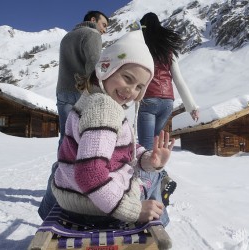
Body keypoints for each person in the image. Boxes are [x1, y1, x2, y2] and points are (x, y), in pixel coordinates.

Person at [38, 30, 175, 226]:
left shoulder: (90, 99)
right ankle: (158, 226)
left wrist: (148, 159)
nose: (131, 90)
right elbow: (90, 174)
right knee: (154, 179)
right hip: (97, 206)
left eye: (139, 87)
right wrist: (135, 210)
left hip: (75, 198)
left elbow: (117, 151)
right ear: (106, 68)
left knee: (150, 170)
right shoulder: (105, 109)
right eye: (127, 78)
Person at [137, 12, 200, 205]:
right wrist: (191, 106)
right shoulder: (167, 49)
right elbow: (178, 80)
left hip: (148, 102)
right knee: (155, 149)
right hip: (167, 102)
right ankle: (163, 178)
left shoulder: (142, 47)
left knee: (148, 152)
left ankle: (150, 197)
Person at [56, 11, 109, 147]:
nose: (104, 30)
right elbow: (93, 64)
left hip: (63, 91)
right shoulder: (92, 34)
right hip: (82, 92)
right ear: (93, 20)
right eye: (103, 25)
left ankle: (62, 166)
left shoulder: (67, 37)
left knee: (66, 137)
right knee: (84, 137)